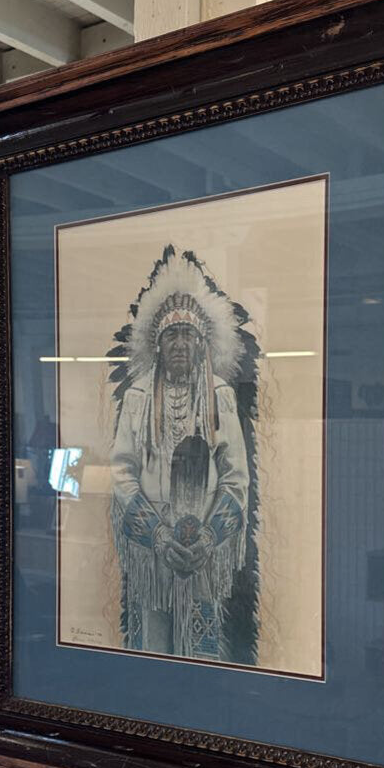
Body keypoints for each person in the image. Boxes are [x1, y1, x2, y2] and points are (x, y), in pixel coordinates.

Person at [110, 250, 250, 660]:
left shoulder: (220, 395)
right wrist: (156, 535)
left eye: (188, 335)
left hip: (200, 546)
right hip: (152, 551)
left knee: (200, 651)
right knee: (151, 646)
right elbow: (122, 473)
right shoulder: (138, 396)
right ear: (157, 344)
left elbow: (236, 477)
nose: (180, 344)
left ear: (201, 343)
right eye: (171, 335)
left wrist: (208, 538)